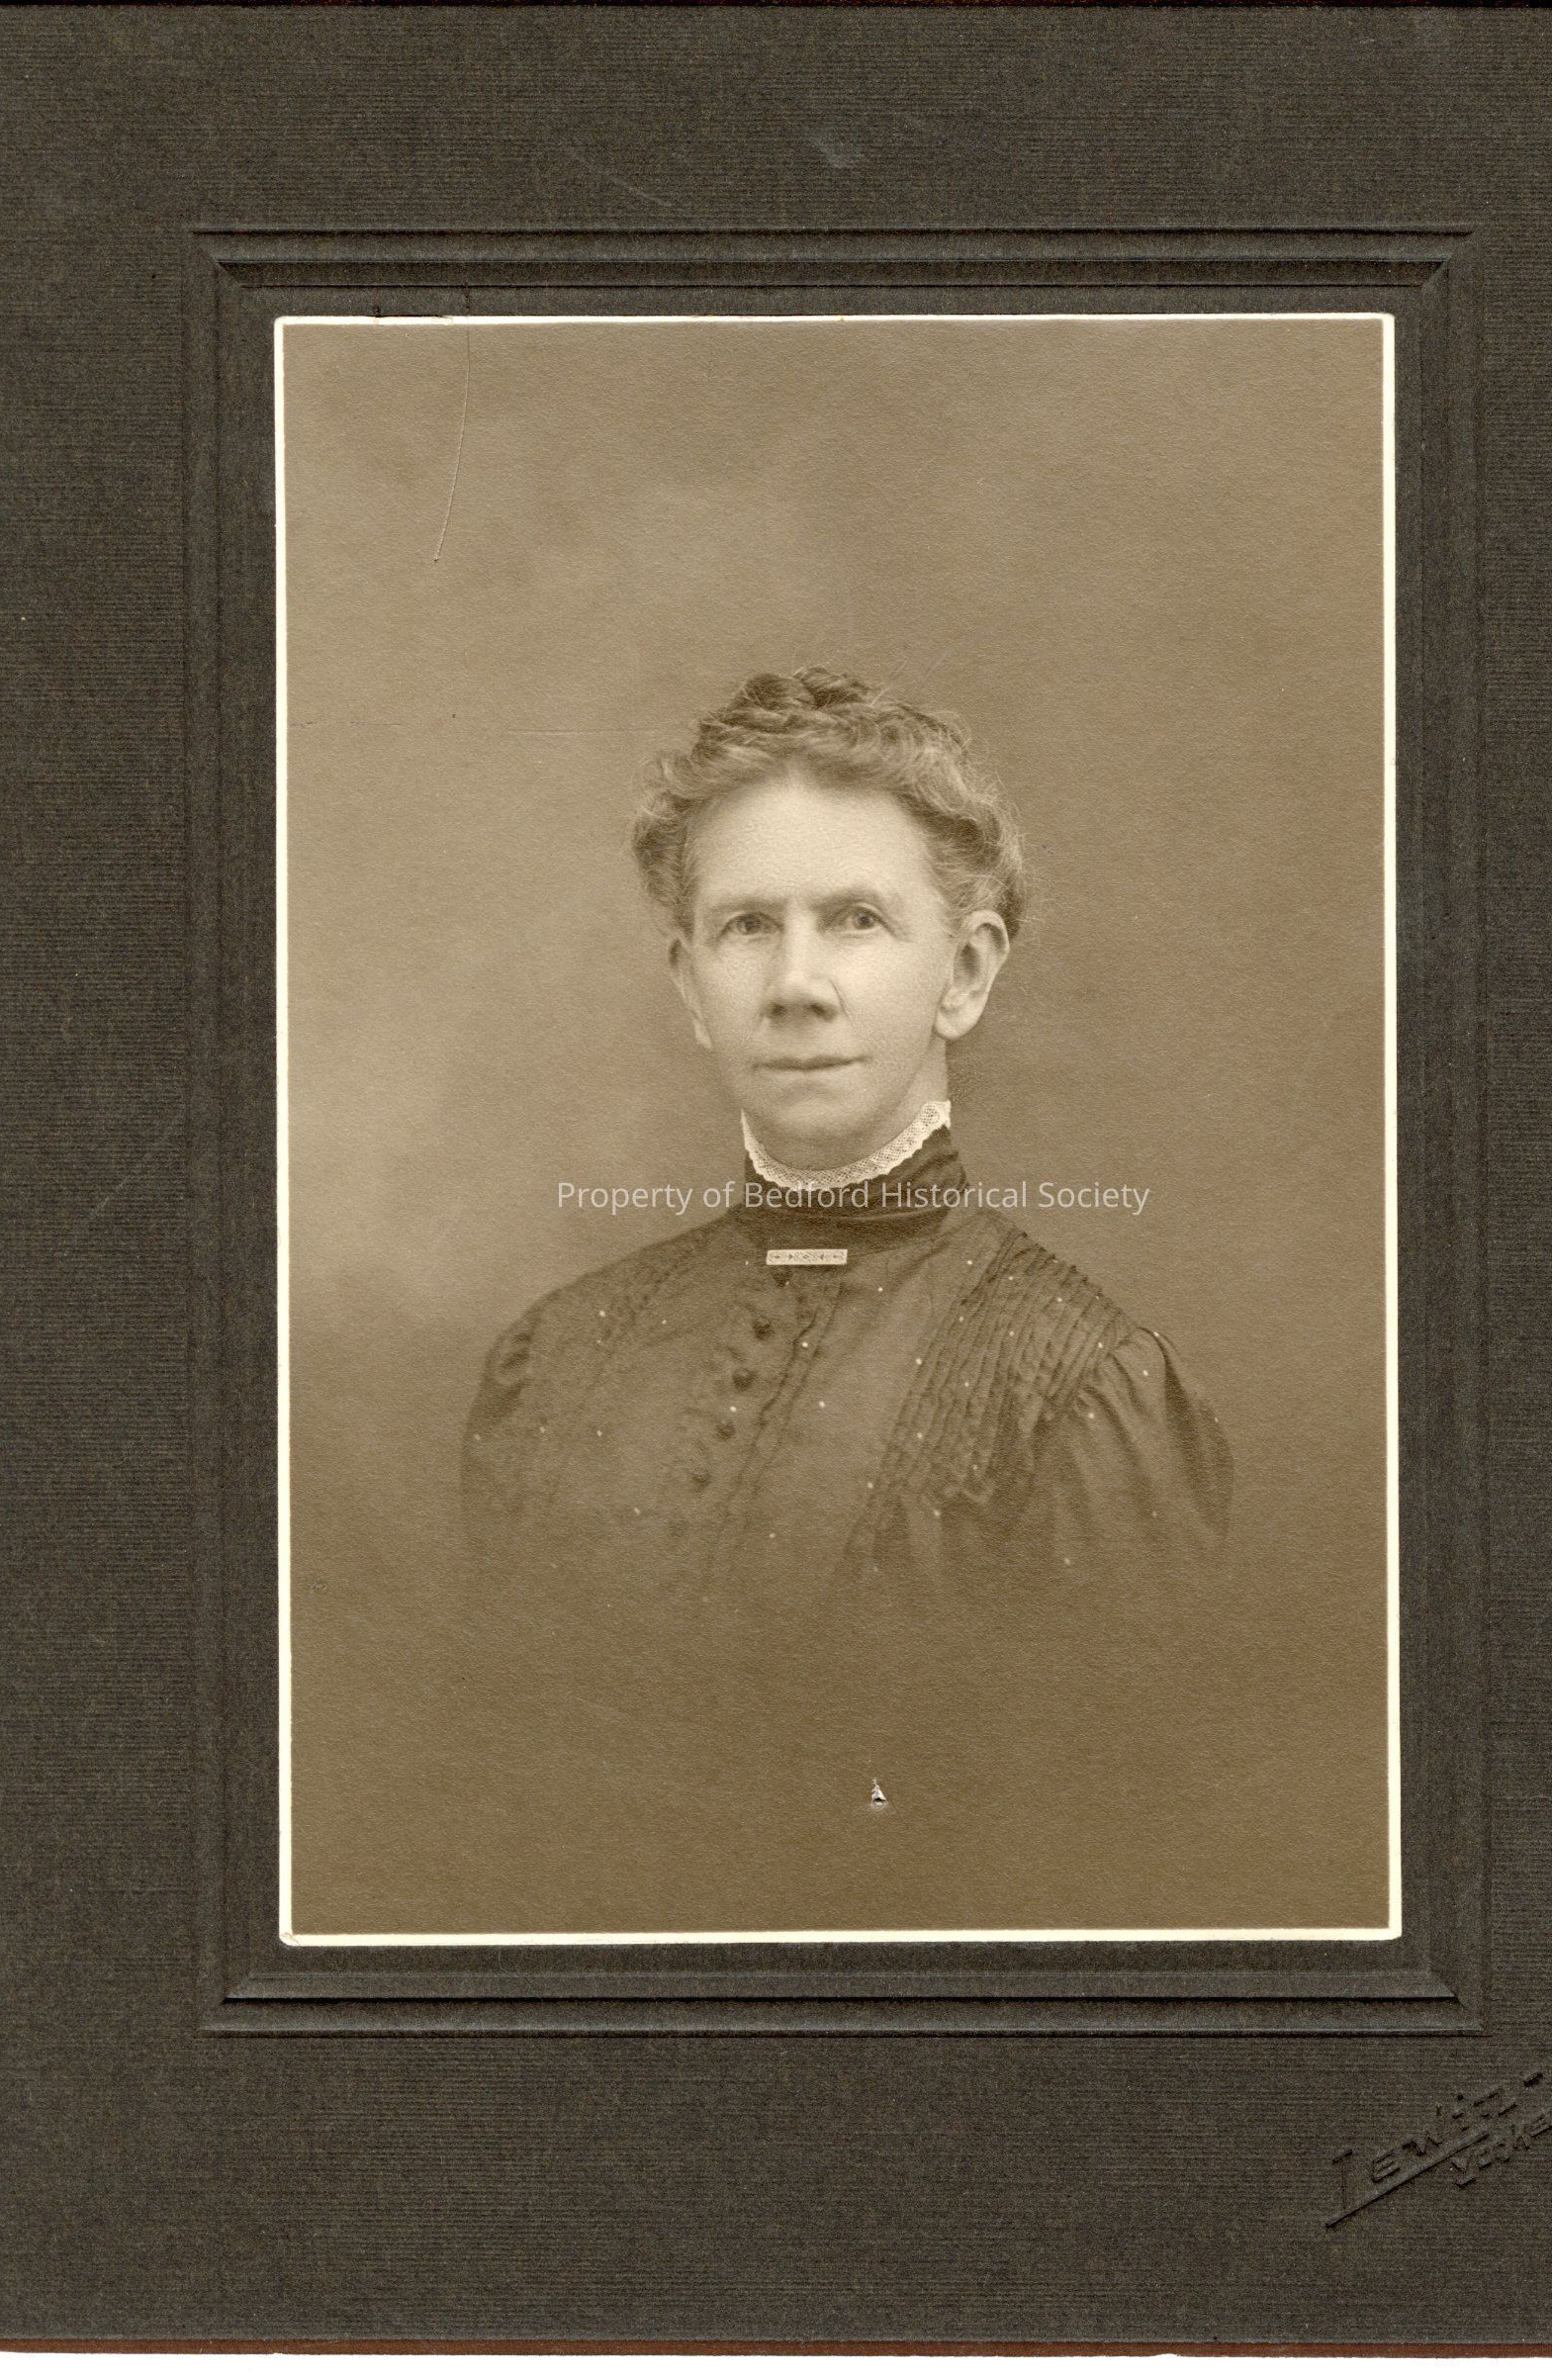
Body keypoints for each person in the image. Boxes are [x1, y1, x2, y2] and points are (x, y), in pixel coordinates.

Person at [461, 669, 1230, 1932]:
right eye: (745, 926)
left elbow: (1111, 1873)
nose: (796, 983)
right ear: (687, 983)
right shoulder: (554, 1359)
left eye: (856, 920)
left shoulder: (1082, 1388)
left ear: (964, 973)